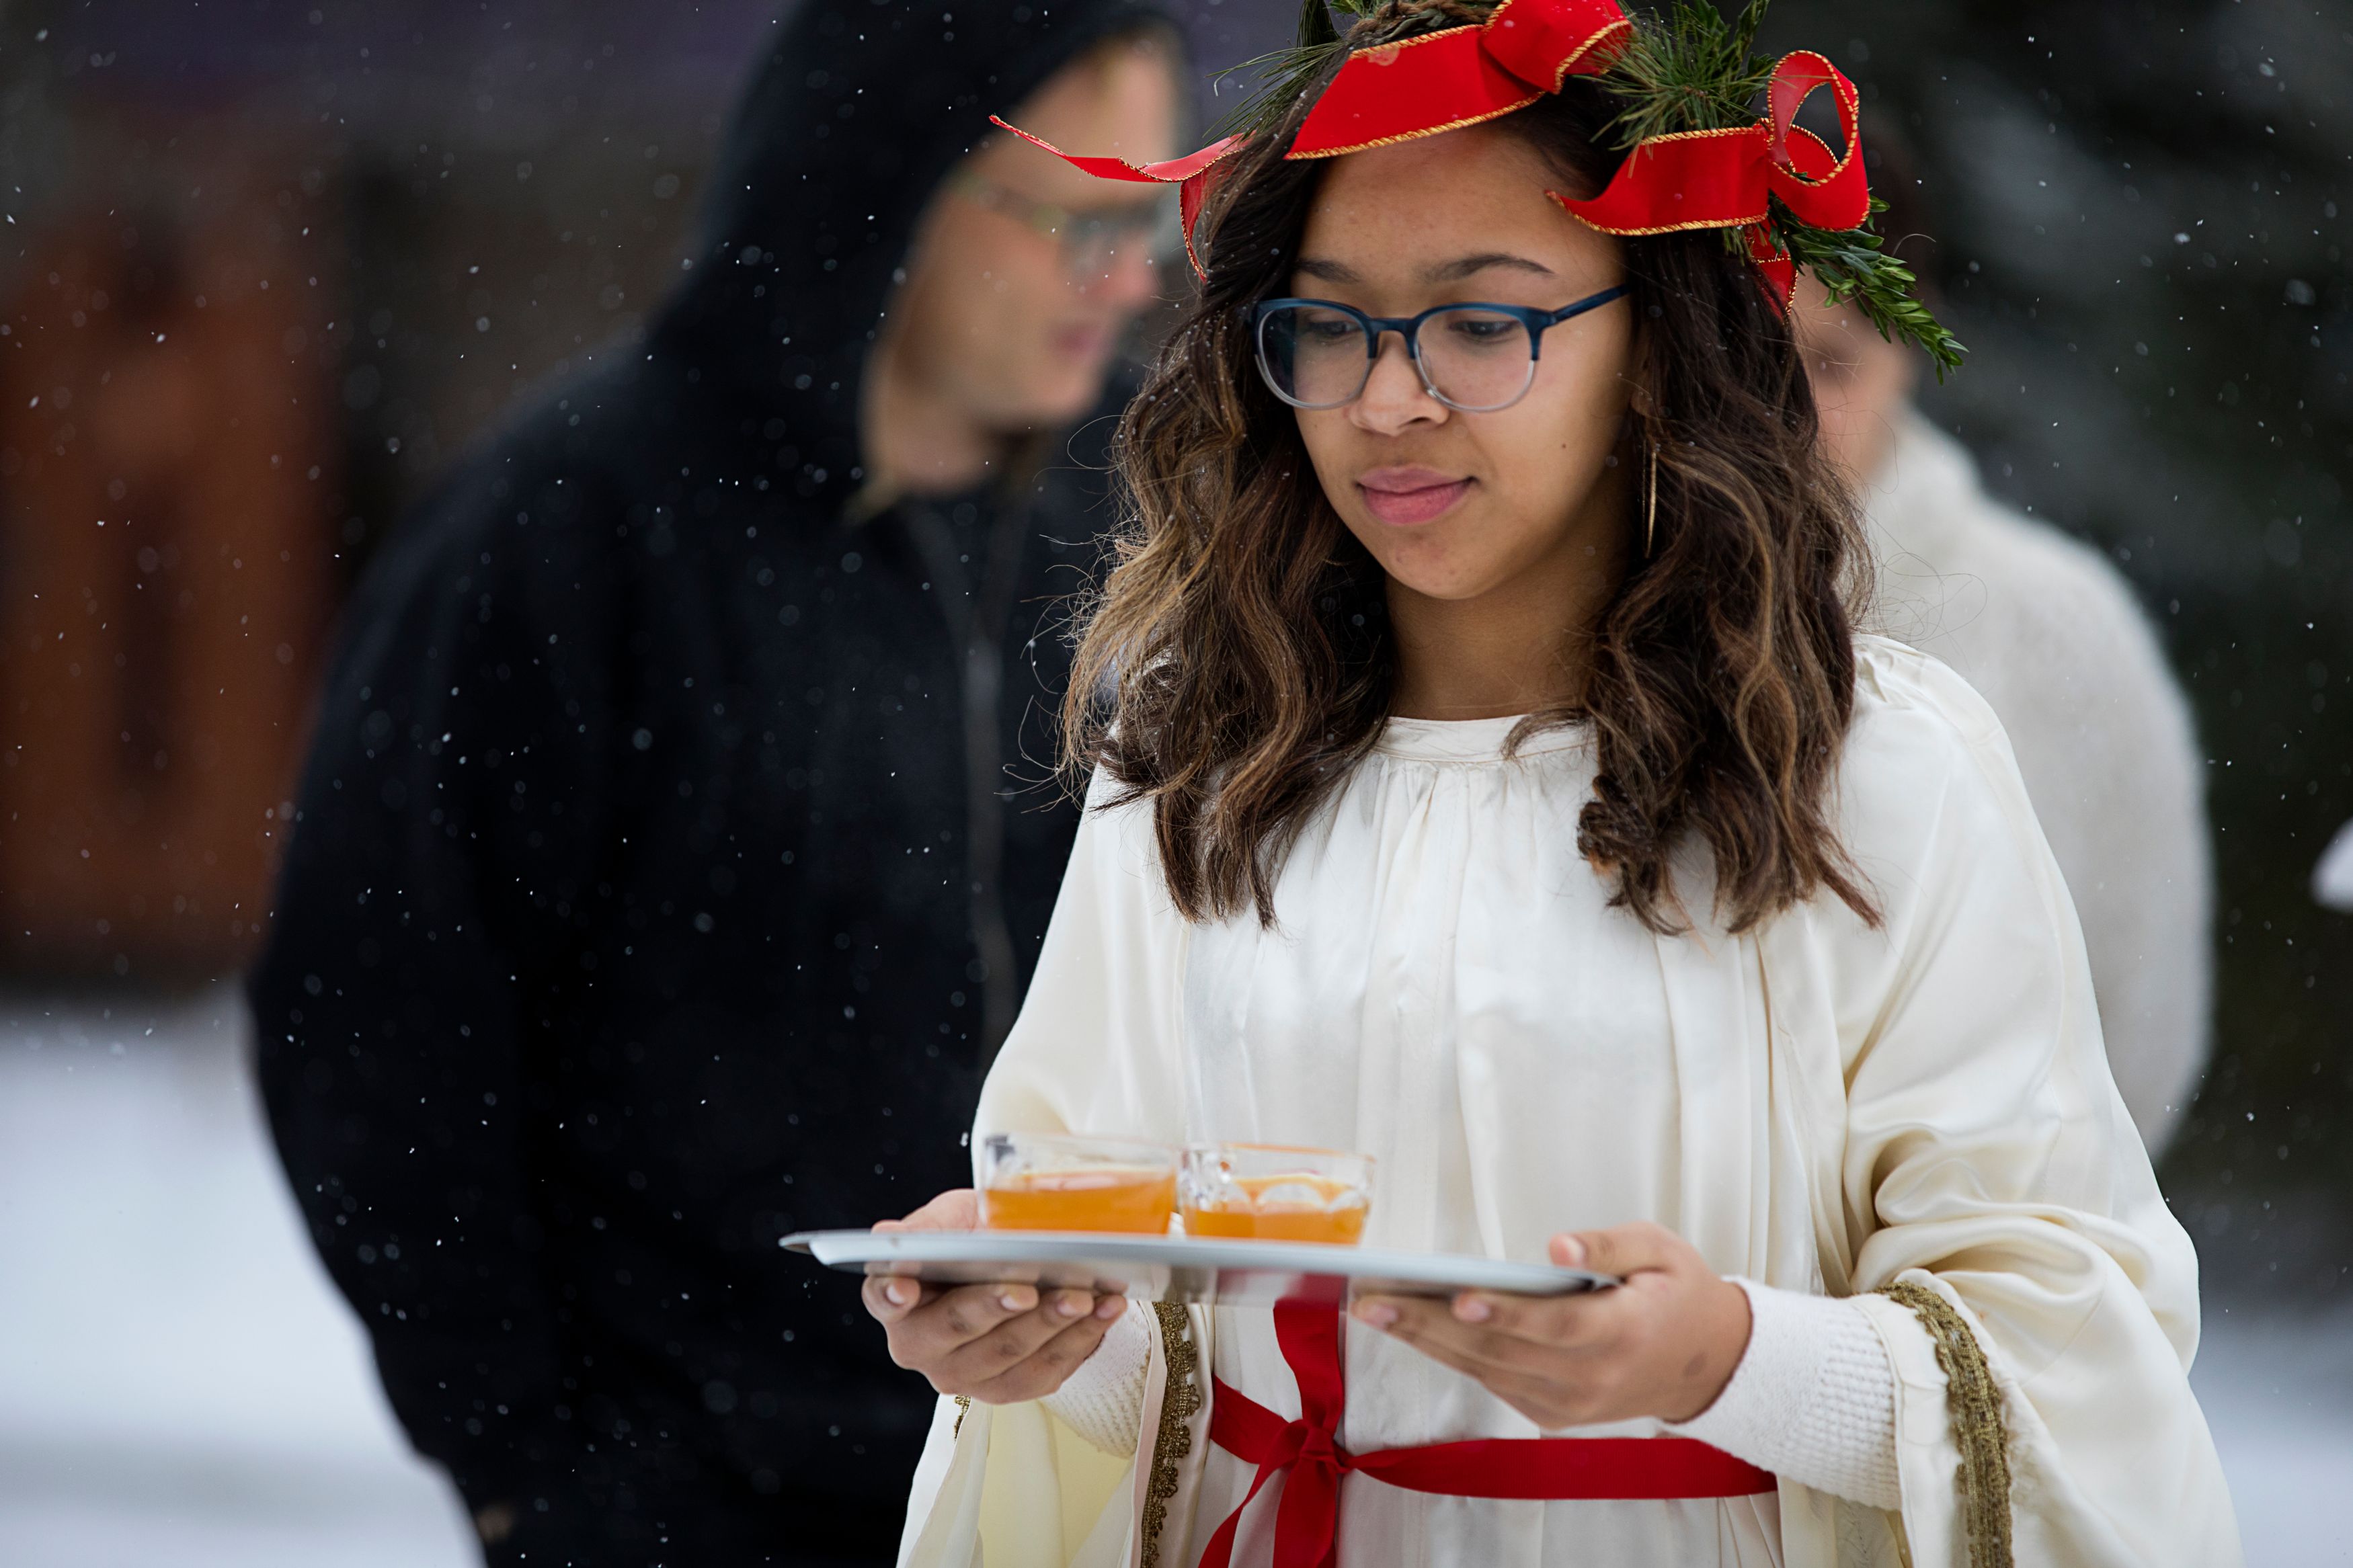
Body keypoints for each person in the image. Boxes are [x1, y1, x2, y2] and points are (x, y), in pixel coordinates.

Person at [862, 1, 2241, 1564]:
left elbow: (2074, 1355)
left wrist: (1725, 1358)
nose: (1388, 401)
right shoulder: (1201, 755)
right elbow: (1160, 1322)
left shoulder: (1877, 772)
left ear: (1655, 342)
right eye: (1330, 324)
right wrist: (1043, 1338)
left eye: (1480, 323)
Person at [247, 1, 1183, 1561]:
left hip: (1090, 1472)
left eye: (1151, 212)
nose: (1135, 271)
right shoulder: (569, 529)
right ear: (879, 186)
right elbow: (373, 1027)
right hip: (696, 1504)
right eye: (1080, 214)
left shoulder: (1157, 515)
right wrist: (532, 1463)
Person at [1791, 164, 2212, 1157]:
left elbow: (2138, 1017)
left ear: (1912, 340)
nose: (1783, 419)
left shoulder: (2056, 624)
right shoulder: (1581, 610)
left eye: (1830, 363)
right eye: (1737, 364)